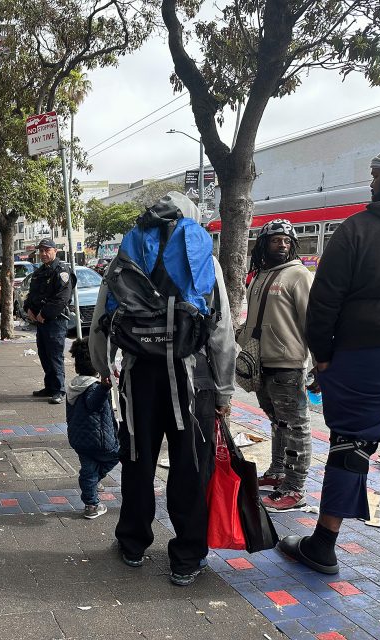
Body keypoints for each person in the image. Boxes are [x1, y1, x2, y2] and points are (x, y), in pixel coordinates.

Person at [88, 191, 235, 587]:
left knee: (138, 460)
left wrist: (104, 367)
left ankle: (133, 542)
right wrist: (224, 391)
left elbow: (102, 317)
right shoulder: (204, 257)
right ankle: (186, 557)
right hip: (192, 381)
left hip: (139, 376)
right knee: (189, 466)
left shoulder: (128, 257)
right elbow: (221, 329)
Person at [279, 140, 380, 573]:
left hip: (364, 354)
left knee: (352, 445)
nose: (372, 181)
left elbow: (324, 303)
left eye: (378, 174)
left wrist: (322, 357)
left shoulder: (356, 230)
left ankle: (323, 543)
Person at [237, 220, 314, 511]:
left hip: (288, 363)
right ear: (263, 245)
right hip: (261, 363)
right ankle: (278, 471)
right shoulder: (258, 275)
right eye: (275, 241)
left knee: (296, 426)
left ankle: (295, 488)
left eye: (286, 241)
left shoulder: (298, 276)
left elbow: (312, 321)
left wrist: (318, 363)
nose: (281, 245)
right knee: (277, 422)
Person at [66, 338, 119, 519]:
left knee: (88, 469)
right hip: (100, 439)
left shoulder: (74, 385)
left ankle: (91, 504)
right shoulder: (93, 387)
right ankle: (94, 482)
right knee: (118, 455)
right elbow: (93, 403)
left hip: (80, 440)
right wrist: (104, 388)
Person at [24, 238, 72, 404]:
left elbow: (61, 299)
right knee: (44, 355)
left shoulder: (62, 271)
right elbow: (32, 294)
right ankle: (50, 387)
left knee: (55, 356)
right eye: (41, 251)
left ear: (55, 251)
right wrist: (28, 309)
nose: (43, 254)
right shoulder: (39, 272)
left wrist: (44, 314)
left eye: (47, 250)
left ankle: (59, 390)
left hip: (55, 321)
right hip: (40, 321)